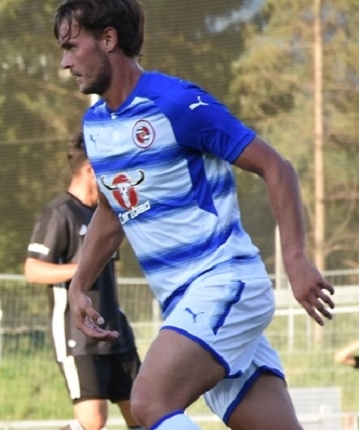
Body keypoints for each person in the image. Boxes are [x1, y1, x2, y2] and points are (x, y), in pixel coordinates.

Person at [51, 1, 336, 429]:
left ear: (108, 39)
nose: (65, 62)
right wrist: (78, 288)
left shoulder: (177, 103)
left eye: (72, 46)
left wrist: (295, 260)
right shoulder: (95, 126)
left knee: (148, 403)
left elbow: (276, 167)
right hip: (185, 302)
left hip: (225, 283)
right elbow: (112, 215)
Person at [24, 132, 142, 430]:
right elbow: (33, 270)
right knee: (93, 422)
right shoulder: (59, 213)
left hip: (115, 330)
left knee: (143, 413)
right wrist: (83, 269)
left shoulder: (107, 217)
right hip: (77, 335)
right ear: (92, 170)